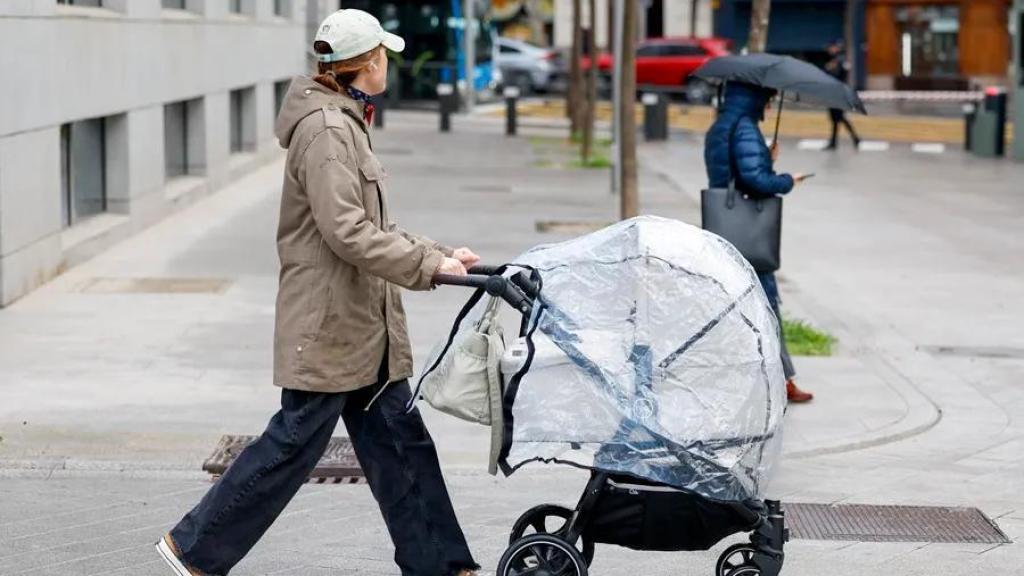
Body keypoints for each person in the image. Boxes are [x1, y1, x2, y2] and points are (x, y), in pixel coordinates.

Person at [156, 10, 482, 576]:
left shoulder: (345, 121)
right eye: (384, 54)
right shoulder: (329, 132)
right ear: (366, 63)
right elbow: (348, 232)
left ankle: (442, 564)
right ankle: (194, 549)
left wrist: (441, 255)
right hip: (331, 324)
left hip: (361, 327)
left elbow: (372, 223)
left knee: (402, 446)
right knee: (291, 446)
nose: (389, 62)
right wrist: (429, 267)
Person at [704, 81, 814, 403]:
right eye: (768, 100)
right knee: (765, 303)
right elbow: (754, 180)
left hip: (725, 225)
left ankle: (761, 378)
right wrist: (786, 180)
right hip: (747, 229)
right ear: (755, 99)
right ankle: (780, 380)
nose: (769, 108)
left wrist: (765, 157)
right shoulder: (745, 128)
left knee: (737, 303)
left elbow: (731, 172)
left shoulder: (720, 126)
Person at [824, 41, 861, 150]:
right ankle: (837, 142)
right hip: (838, 93)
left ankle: (852, 139)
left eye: (832, 47)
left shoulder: (838, 60)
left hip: (837, 93)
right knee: (837, 118)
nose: (830, 49)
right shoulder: (841, 60)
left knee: (838, 117)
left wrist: (828, 69)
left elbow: (836, 75)